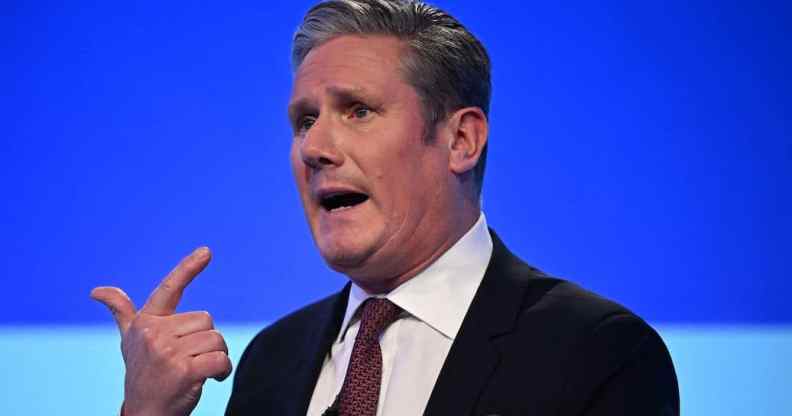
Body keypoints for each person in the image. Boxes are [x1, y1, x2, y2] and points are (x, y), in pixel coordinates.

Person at [91, 0, 680, 415]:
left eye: (358, 111)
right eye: (305, 121)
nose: (315, 148)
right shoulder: (273, 361)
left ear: (461, 140)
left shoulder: (597, 353)